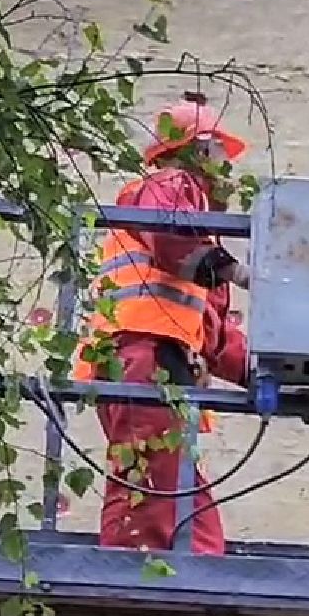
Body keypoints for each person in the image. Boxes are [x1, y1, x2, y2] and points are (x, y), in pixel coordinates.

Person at [73, 92, 252, 554]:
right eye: (221, 154)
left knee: (186, 508)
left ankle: (202, 575)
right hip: (142, 360)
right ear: (198, 150)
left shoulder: (195, 244)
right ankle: (123, 580)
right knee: (147, 488)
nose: (227, 171)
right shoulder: (167, 185)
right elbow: (174, 237)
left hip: (162, 366)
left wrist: (277, 370)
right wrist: (237, 271)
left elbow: (213, 335)